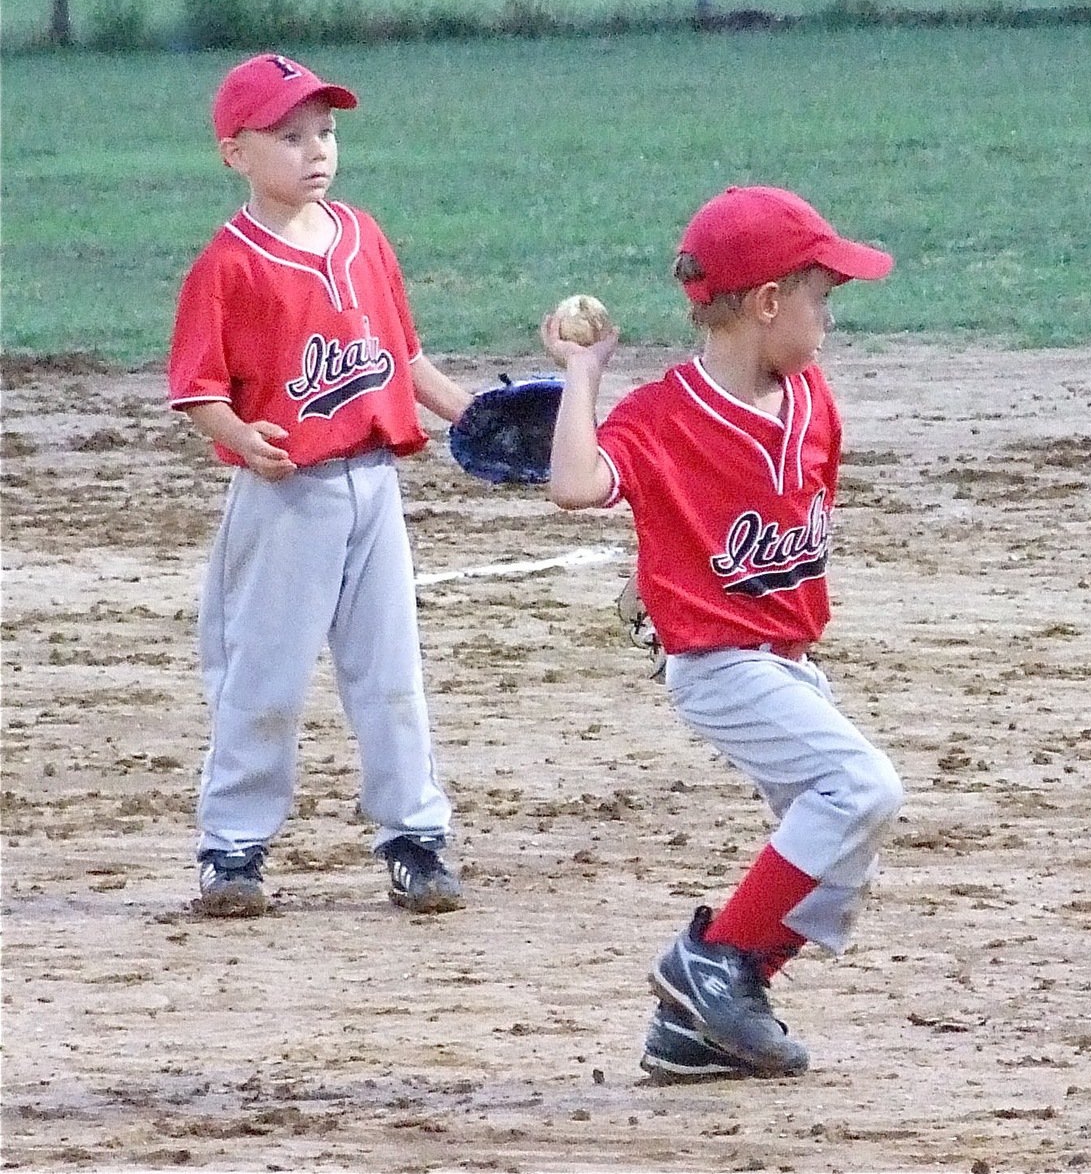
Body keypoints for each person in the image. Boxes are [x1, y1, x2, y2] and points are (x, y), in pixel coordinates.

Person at [541, 186, 905, 1081]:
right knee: (859, 786)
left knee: (835, 849)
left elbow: (744, 513)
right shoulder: (662, 418)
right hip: (719, 667)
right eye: (820, 295)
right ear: (768, 302)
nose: (829, 316)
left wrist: (659, 565)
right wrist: (582, 378)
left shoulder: (813, 401)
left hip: (789, 664)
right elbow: (577, 486)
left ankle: (701, 1027)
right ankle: (709, 963)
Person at [168, 53, 473, 918]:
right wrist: (236, 435)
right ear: (236, 153)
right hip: (285, 494)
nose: (316, 150)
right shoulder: (229, 263)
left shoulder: (363, 236)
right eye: (289, 135)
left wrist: (473, 414)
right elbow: (198, 387)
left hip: (375, 486)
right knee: (262, 672)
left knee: (390, 672)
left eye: (326, 132)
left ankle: (413, 837)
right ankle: (233, 847)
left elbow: (404, 358)